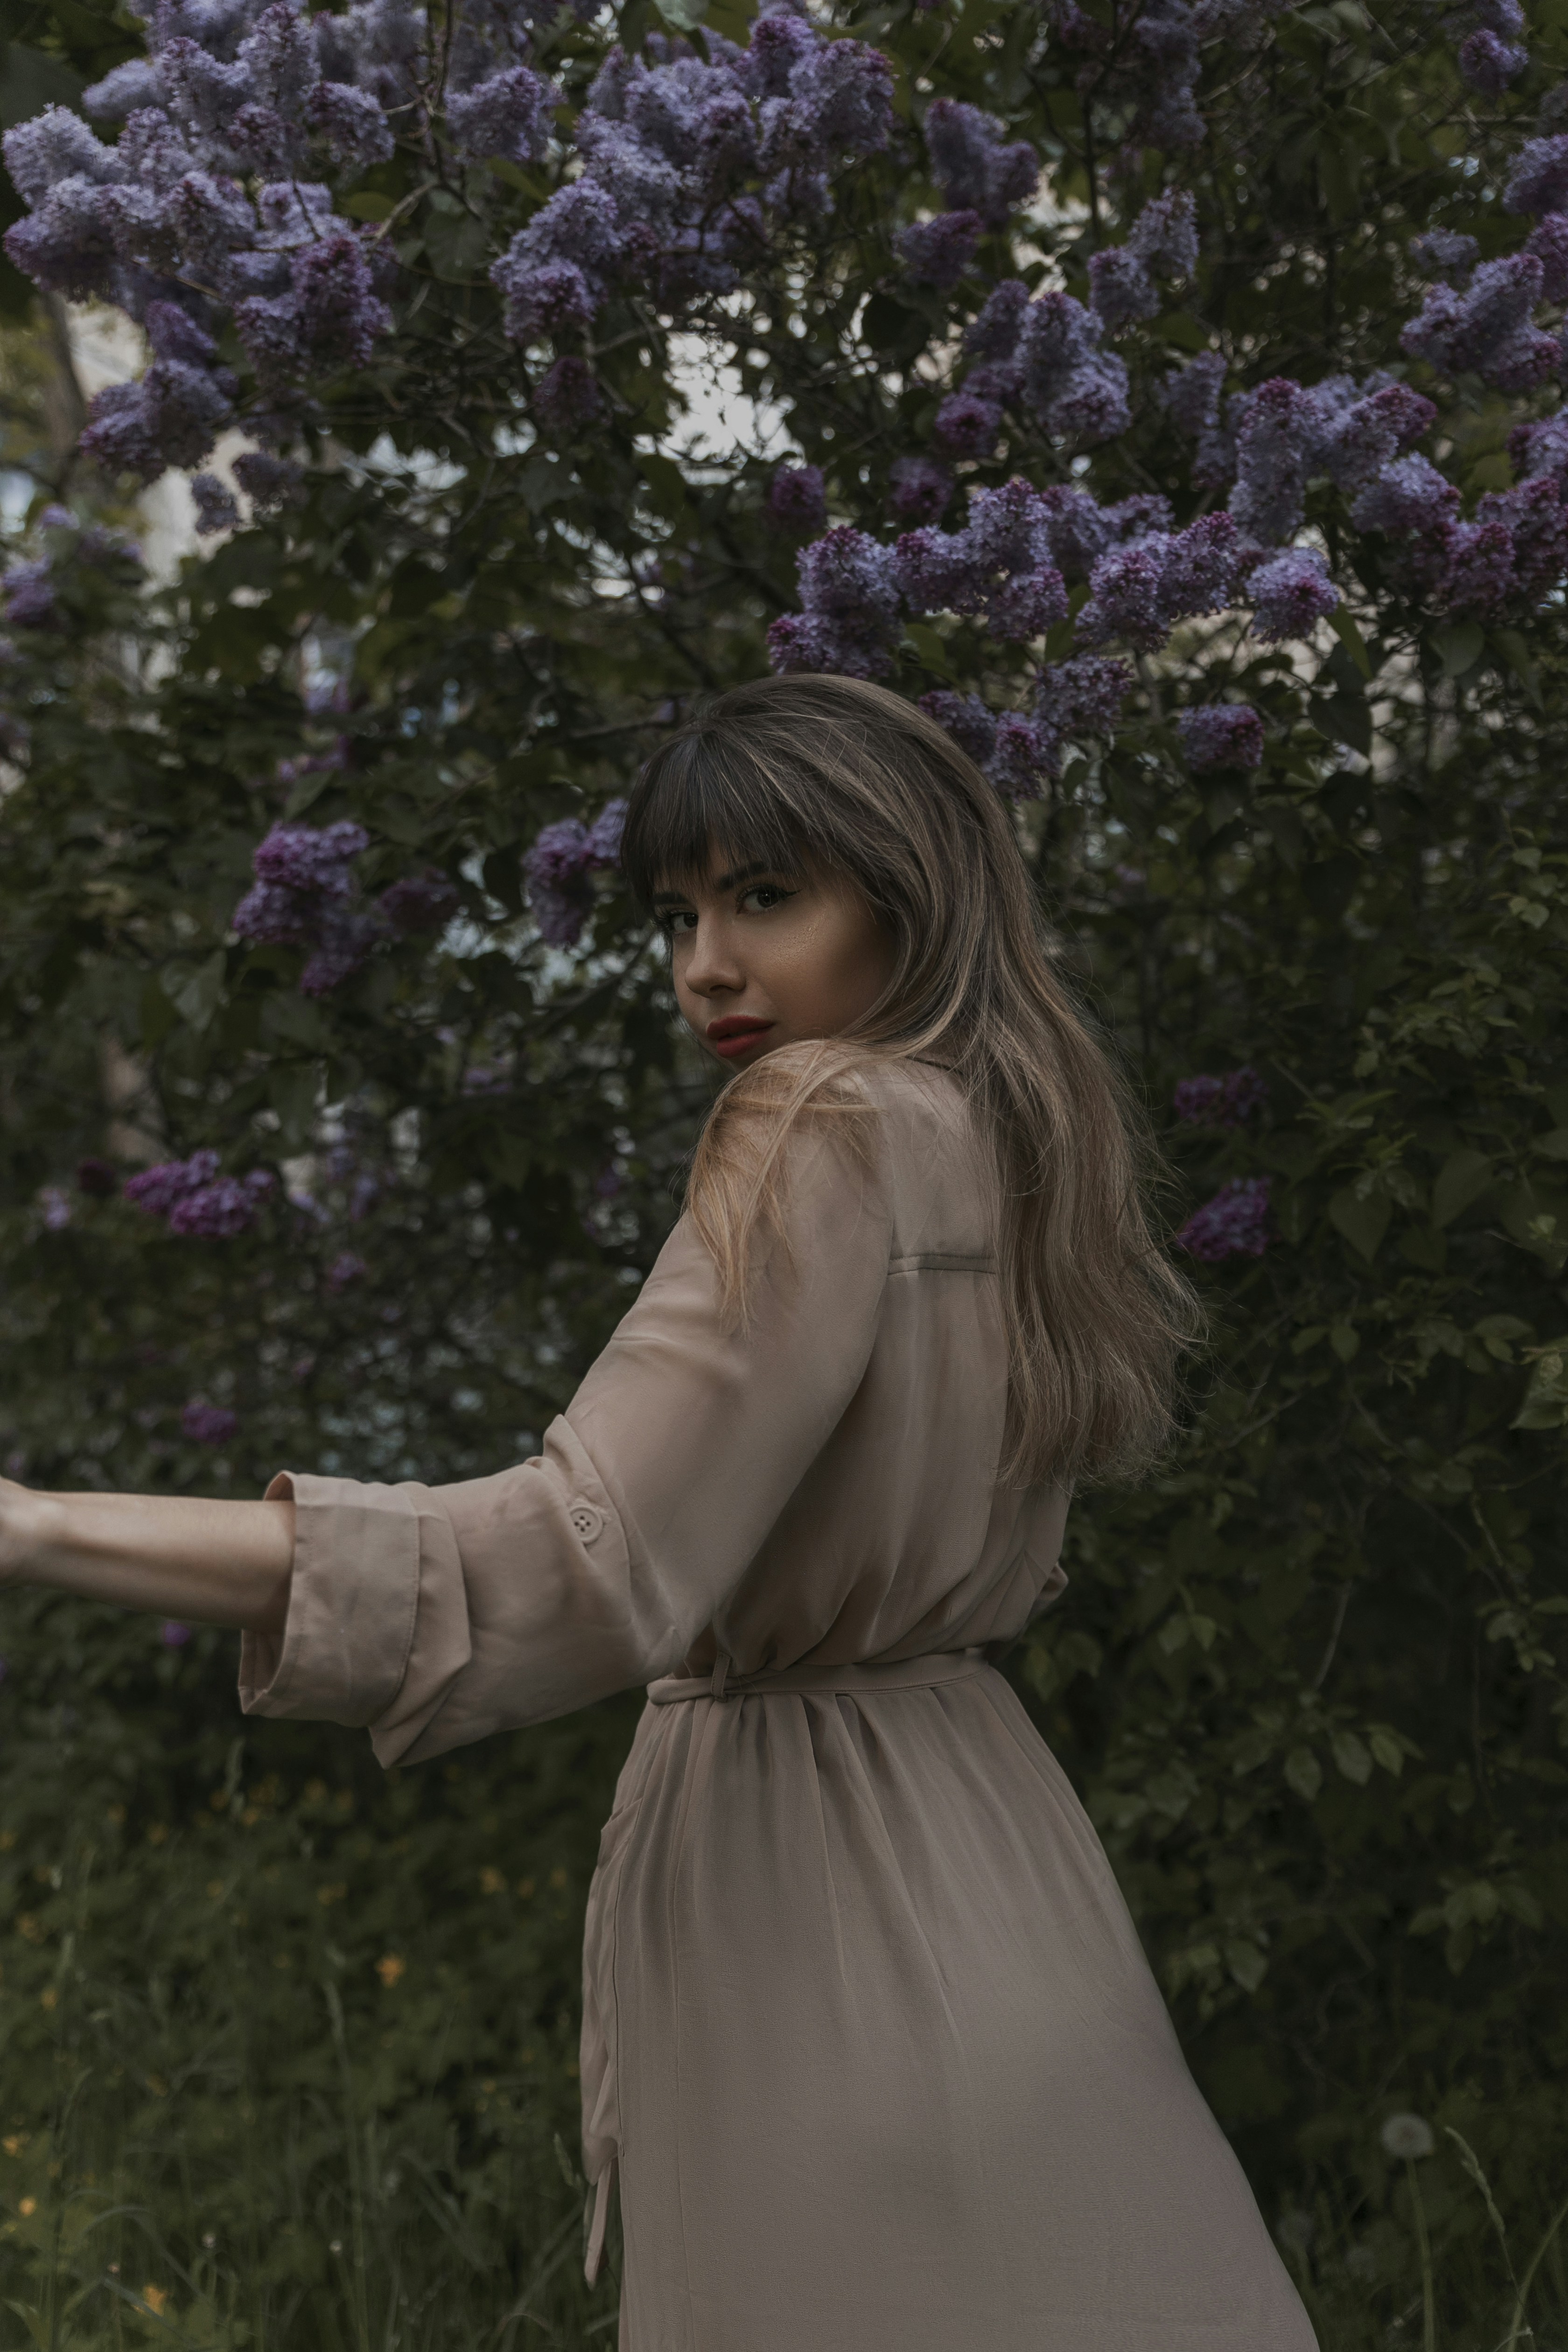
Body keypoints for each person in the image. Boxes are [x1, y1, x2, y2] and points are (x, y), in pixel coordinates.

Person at [0, 674, 1319, 2352]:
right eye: (679, 912)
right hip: (992, 1838)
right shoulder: (1002, 1128)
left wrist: (41, 1531)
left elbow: (576, 1560)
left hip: (811, 1885)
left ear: (909, 890)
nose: (707, 964)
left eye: (766, 896)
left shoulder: (820, 1120)